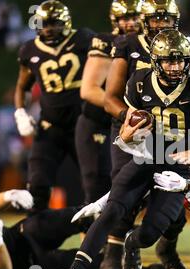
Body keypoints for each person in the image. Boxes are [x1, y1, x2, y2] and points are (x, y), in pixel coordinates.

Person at [51, 29, 190, 269]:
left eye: (180, 60)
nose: (176, 66)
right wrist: (129, 133)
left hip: (177, 166)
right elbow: (126, 132)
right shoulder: (139, 82)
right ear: (155, 61)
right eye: (169, 60)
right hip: (146, 157)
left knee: (150, 231)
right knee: (112, 212)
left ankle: (133, 243)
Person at [99, 0, 190, 269]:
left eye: (166, 19)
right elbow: (110, 96)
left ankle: (167, 248)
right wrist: (133, 118)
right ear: (144, 20)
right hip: (136, 133)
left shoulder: (183, 44)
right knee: (125, 195)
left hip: (176, 135)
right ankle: (112, 256)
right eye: (156, 19)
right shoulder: (127, 44)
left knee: (173, 203)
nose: (161, 24)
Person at [0, 190, 169, 269]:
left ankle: (122, 213)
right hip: (31, 263)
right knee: (98, 265)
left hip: (25, 234)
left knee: (47, 222)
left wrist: (9, 195)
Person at [14, 0, 95, 210]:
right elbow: (22, 86)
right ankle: (35, 234)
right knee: (38, 181)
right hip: (50, 126)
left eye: (54, 23)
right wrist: (20, 112)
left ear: (65, 23)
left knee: (96, 184)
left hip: (84, 123)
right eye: (45, 23)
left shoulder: (83, 39)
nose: (49, 29)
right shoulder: (29, 49)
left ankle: (104, 236)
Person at [77, 0, 144, 206]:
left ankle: (122, 232)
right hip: (101, 122)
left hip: (133, 124)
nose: (131, 22)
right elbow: (88, 90)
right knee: (98, 183)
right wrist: (124, 109)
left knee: (132, 183)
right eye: (125, 18)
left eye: (135, 17)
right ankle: (91, 235)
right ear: (115, 19)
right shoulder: (108, 42)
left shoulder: (151, 43)